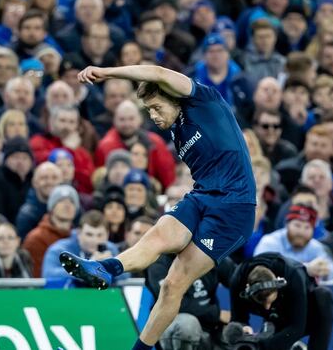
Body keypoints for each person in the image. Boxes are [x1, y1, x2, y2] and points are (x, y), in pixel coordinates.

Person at [60, 64, 255, 350]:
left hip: (234, 208)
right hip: (203, 196)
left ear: (174, 97)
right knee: (160, 236)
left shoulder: (204, 100)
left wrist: (108, 73)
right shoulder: (177, 131)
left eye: (155, 107)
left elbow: (158, 73)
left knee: (174, 283)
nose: (152, 115)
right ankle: (106, 268)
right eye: (148, 110)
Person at [227, 252, 333, 350]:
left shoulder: (292, 273)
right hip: (272, 319)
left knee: (323, 295)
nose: (267, 306)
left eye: (269, 301)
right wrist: (243, 329)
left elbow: (297, 327)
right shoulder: (237, 281)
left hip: (303, 312)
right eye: (262, 301)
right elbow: (237, 319)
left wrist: (262, 345)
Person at [22, 184, 79, 277]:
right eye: (61, 201)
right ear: (52, 207)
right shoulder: (36, 238)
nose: (67, 205)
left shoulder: (79, 237)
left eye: (72, 202)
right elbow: (35, 277)